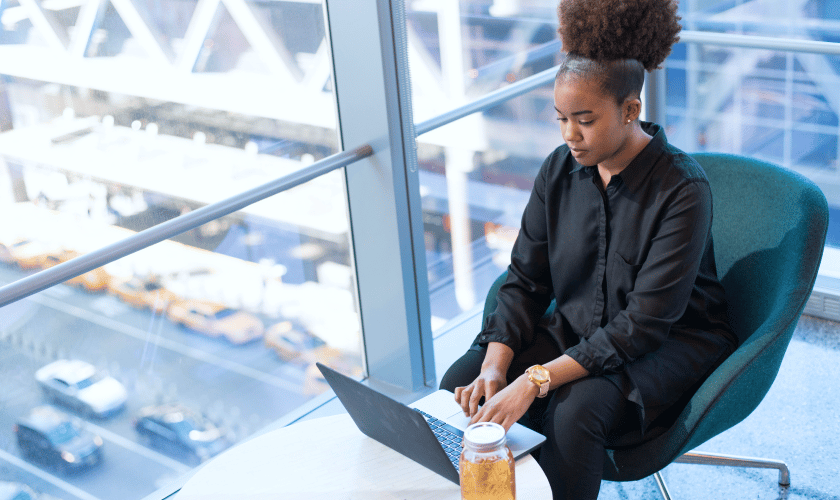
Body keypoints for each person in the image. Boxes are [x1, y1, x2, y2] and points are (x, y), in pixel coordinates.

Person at [438, 1, 739, 498]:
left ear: (630, 110)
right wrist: (496, 363)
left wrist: (534, 379)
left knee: (575, 411)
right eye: (560, 119)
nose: (569, 136)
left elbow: (643, 325)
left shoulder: (683, 190)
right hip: (579, 327)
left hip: (668, 341)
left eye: (584, 120)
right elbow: (525, 280)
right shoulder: (559, 171)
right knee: (464, 379)